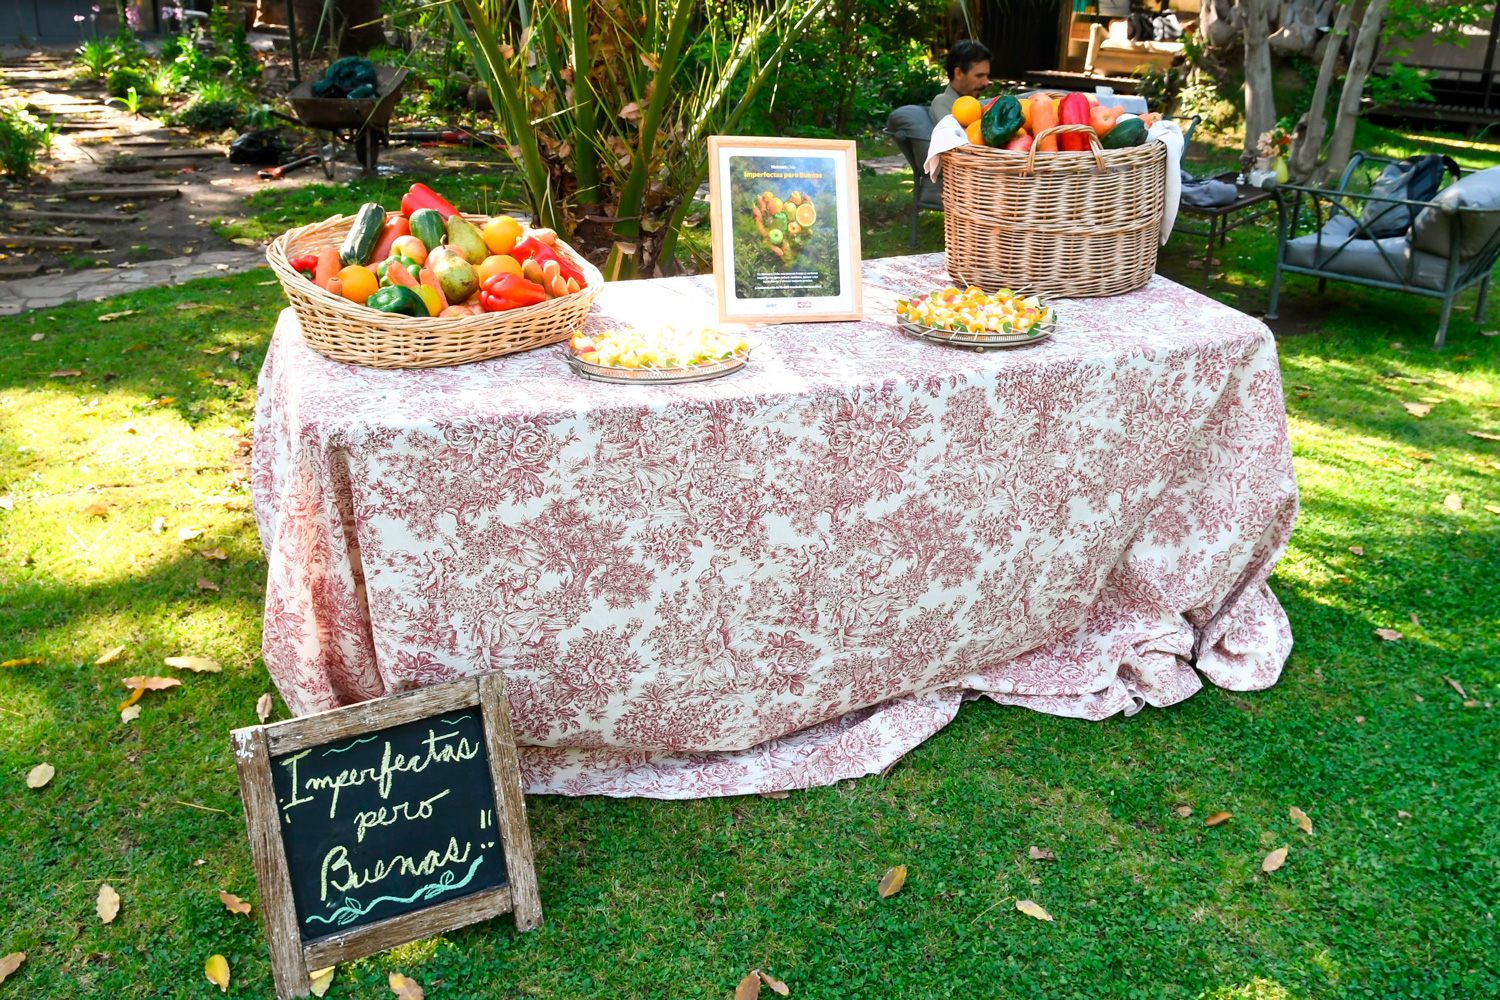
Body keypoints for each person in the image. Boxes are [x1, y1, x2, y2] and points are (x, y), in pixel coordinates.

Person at [930, 40, 992, 124]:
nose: (986, 82)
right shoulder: (943, 103)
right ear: (958, 73)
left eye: (986, 76)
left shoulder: (976, 106)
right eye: (979, 76)